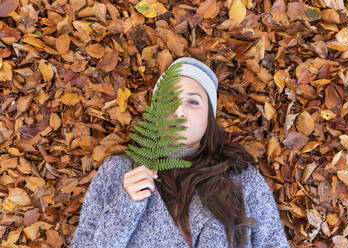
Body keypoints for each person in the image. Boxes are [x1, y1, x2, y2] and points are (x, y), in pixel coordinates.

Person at [70, 57, 290, 248]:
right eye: (170, 101)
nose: (179, 111)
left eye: (193, 102)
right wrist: (124, 206)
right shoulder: (118, 172)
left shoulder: (241, 177)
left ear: (209, 117)